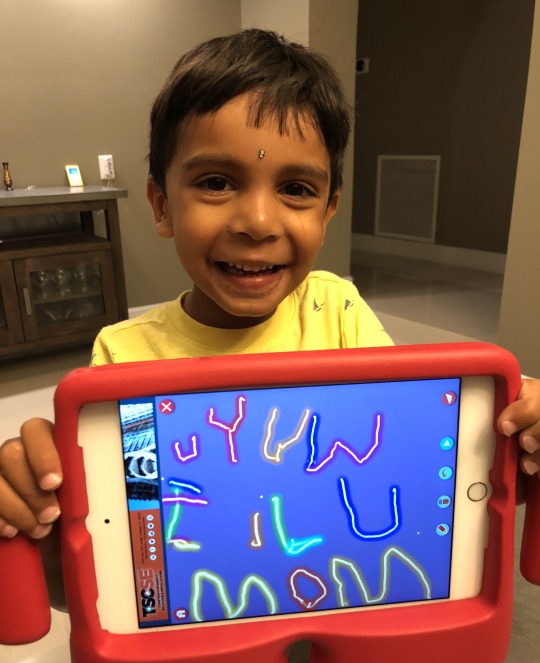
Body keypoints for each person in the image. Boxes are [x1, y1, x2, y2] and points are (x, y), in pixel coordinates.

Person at [0, 28, 539, 541]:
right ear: (162, 207)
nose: (258, 223)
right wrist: (41, 506)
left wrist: (513, 435)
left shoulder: (338, 310)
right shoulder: (123, 358)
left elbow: (404, 452)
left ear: (328, 212)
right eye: (216, 182)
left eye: (296, 189)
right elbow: (129, 527)